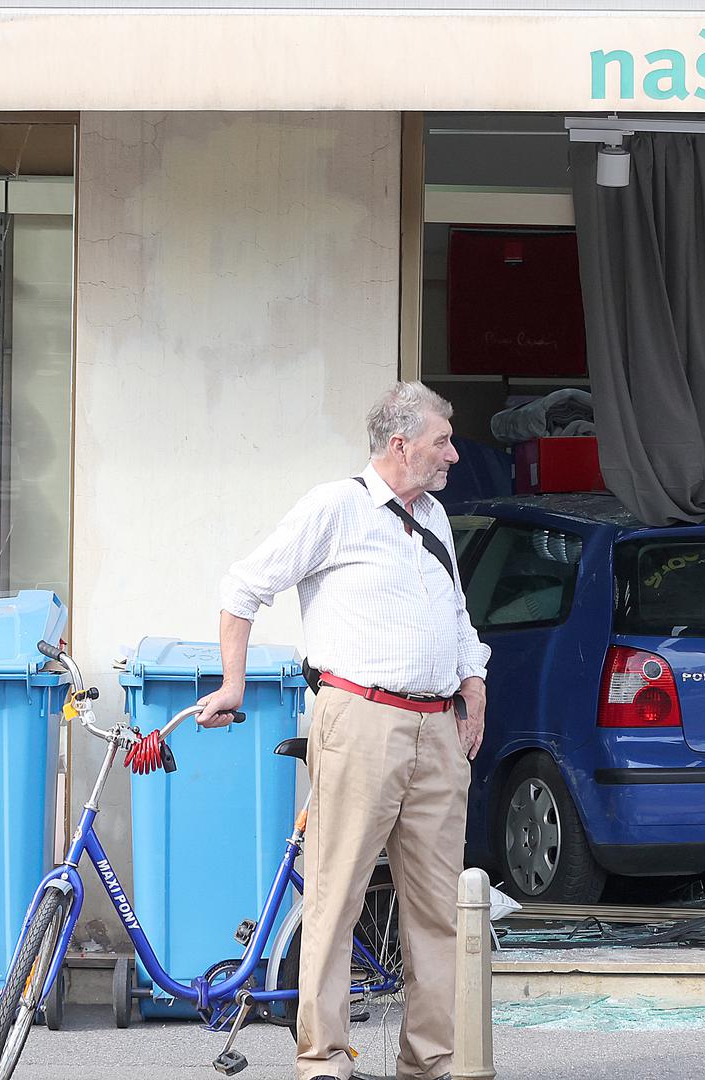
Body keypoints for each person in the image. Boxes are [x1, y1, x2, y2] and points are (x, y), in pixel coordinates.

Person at [197, 382, 489, 1080]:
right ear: (400, 443)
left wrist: (473, 687)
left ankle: (429, 1063)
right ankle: (323, 1060)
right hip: (360, 720)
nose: (452, 453)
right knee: (336, 898)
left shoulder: (436, 517)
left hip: (437, 729)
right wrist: (232, 684)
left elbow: (455, 619)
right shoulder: (336, 507)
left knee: (436, 912)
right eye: (441, 440)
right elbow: (242, 589)